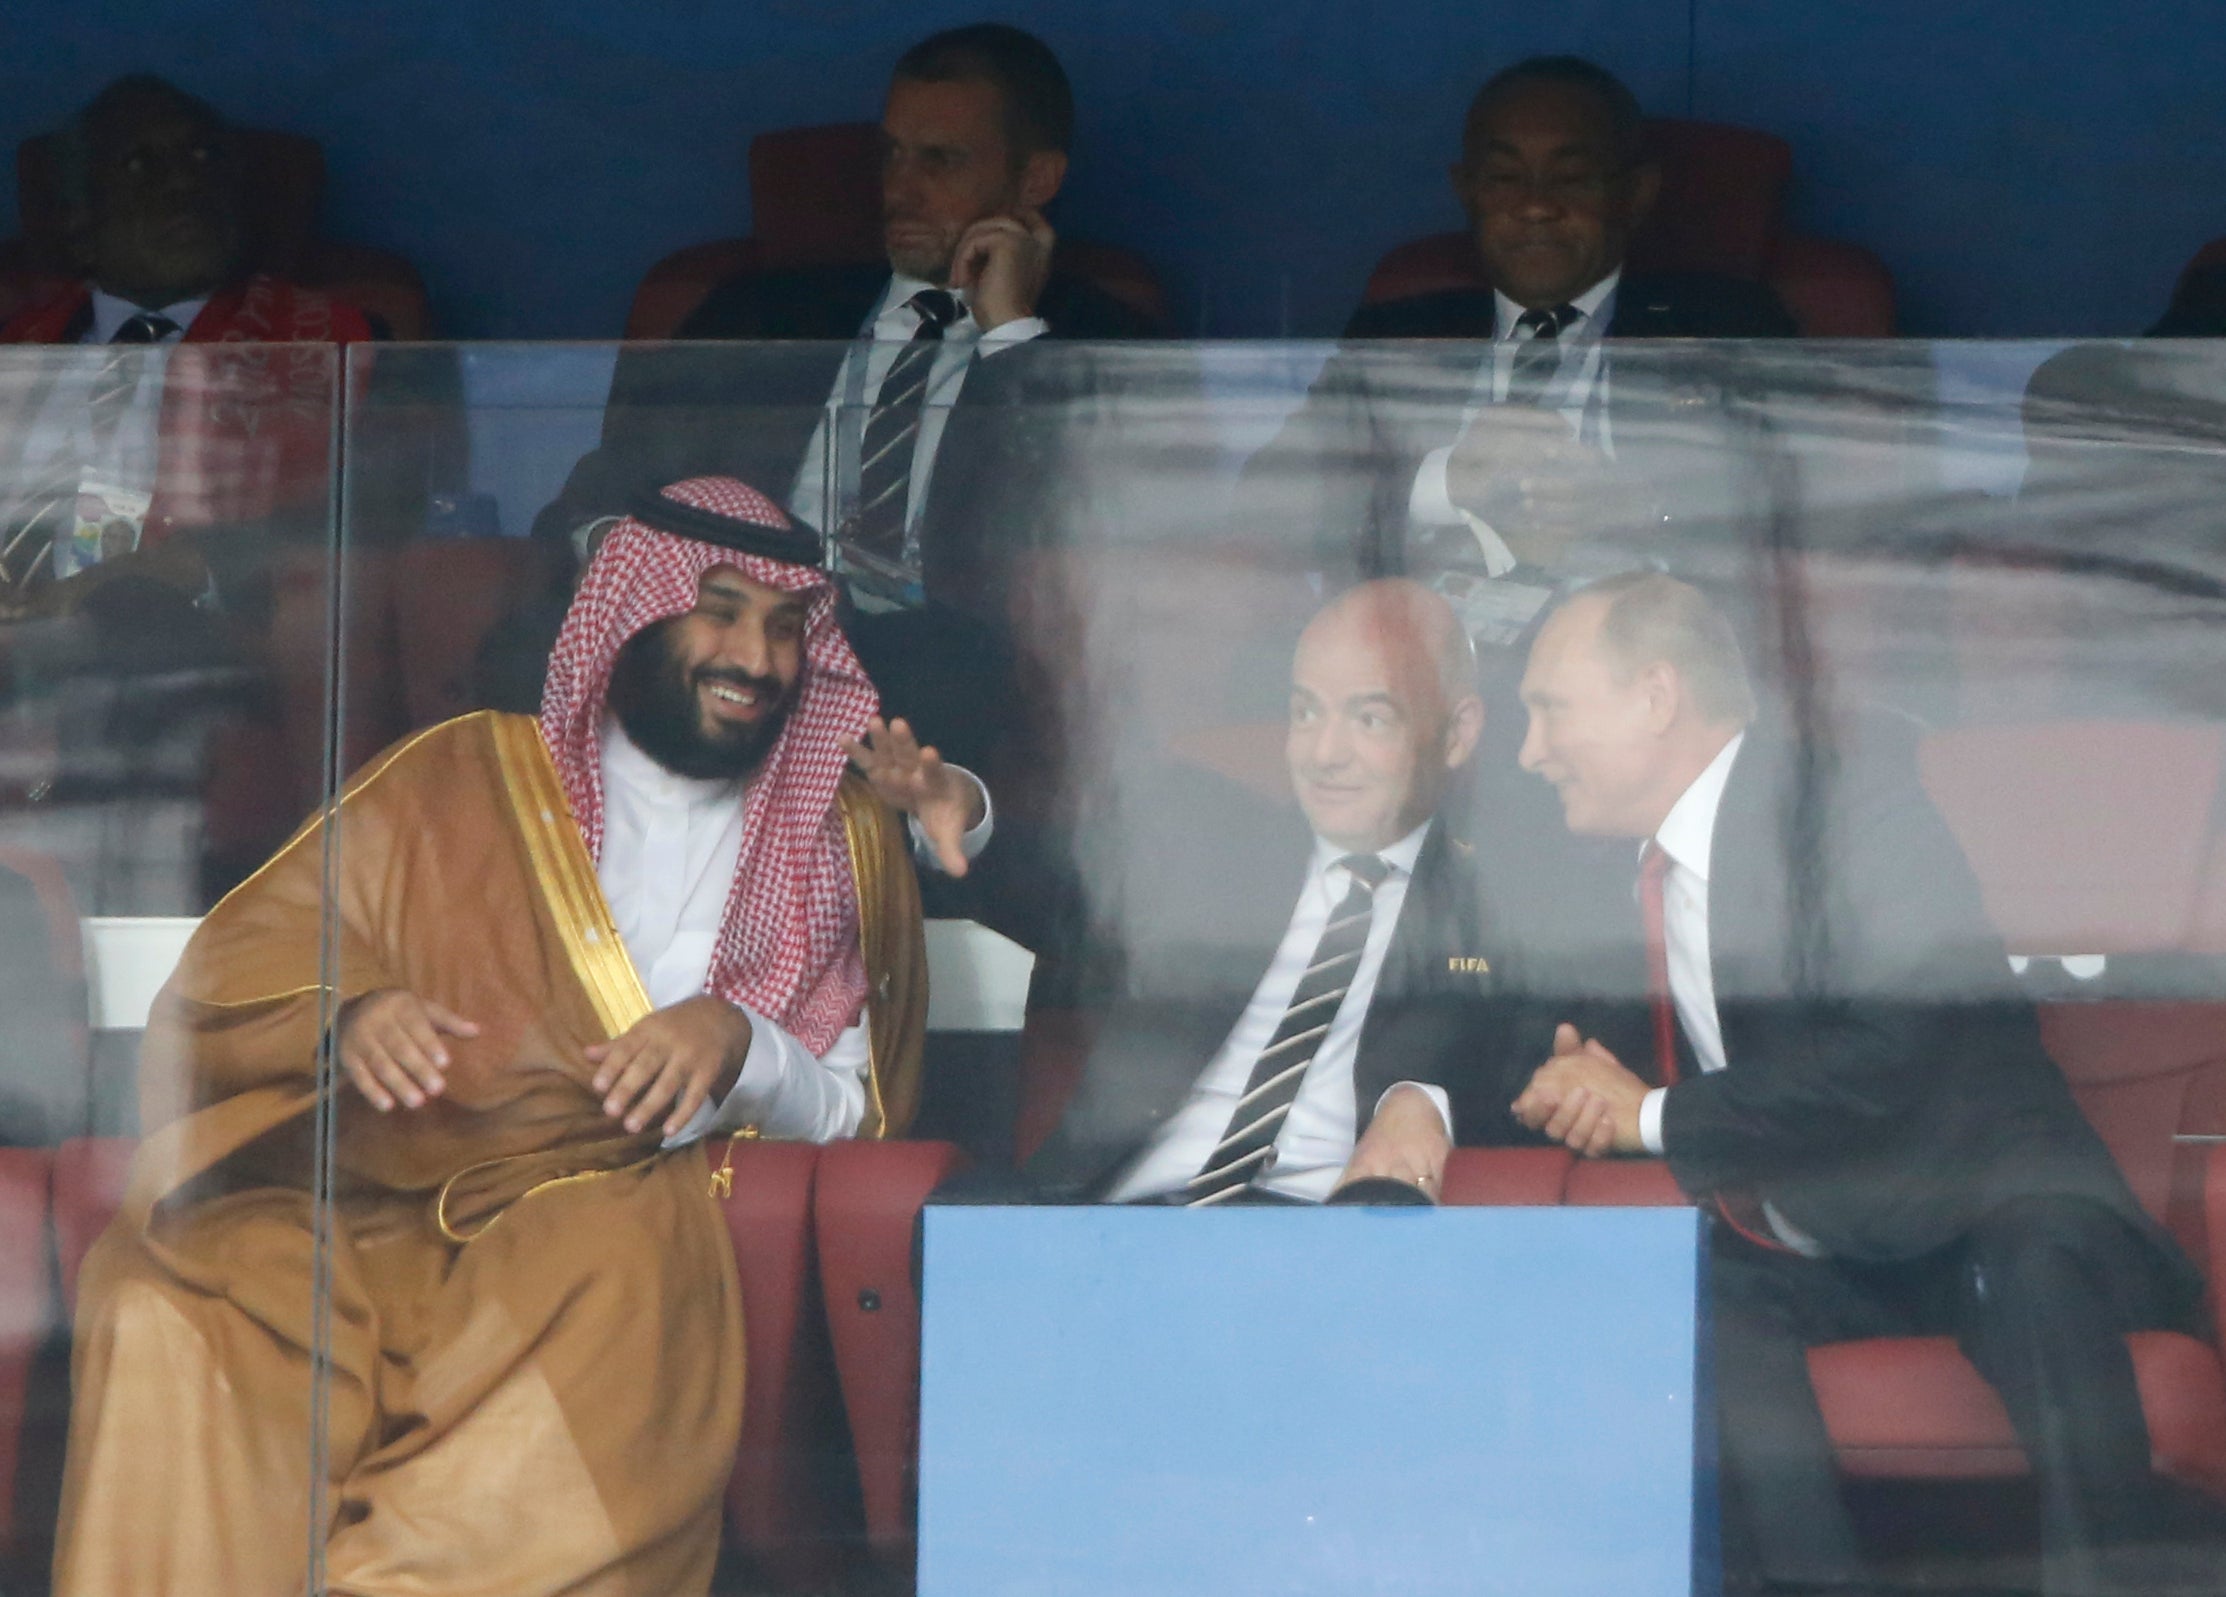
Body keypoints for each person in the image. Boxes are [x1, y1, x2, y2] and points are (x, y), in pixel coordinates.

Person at [51, 475, 993, 1596]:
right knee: (168, 1304)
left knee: (608, 1296)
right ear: (633, 609)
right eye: (723, 610)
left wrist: (743, 1041)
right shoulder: (462, 773)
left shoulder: (834, 829)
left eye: (787, 627)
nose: (757, 655)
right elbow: (241, 965)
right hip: (374, 1185)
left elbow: (861, 1105)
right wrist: (347, 1013)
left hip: (599, 1211)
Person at [1508, 571, 2215, 1595]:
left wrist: (1654, 1114)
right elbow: (1555, 1053)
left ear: (1655, 697)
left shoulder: (1848, 803)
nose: (1529, 752)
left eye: (1550, 710)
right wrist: (1570, 1085)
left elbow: (1899, 1046)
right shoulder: (1609, 873)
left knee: (2030, 1268)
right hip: (1822, 1242)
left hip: (1987, 1207)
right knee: (1693, 1302)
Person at [527, 24, 1158, 753]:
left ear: (1035, 180)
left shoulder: (1104, 348)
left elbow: (1101, 522)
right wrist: (636, 571)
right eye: (890, 154)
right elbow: (606, 488)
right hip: (728, 626)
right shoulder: (758, 317)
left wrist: (1010, 332)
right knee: (527, 640)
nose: (901, 188)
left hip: (930, 658)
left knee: (930, 664)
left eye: (941, 161)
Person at [1006, 579, 1547, 1204]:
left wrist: (1424, 1099)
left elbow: (1527, 1058)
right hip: (1121, 1214)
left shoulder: (1490, 905)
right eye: (1306, 713)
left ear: (1457, 733)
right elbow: (1050, 887)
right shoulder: (1212, 851)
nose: (1324, 753)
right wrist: (968, 817)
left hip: (1323, 1237)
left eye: (1370, 719)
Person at [1242, 56, 1791, 641]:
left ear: (1634, 192)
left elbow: (1809, 508)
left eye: (1572, 177)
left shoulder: (1724, 326)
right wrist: (1448, 481)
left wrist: (1640, 508)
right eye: (1505, 178)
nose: (1535, 205)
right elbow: (1268, 503)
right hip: (1427, 664)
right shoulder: (1399, 336)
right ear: (1467, 191)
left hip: (1644, 662)